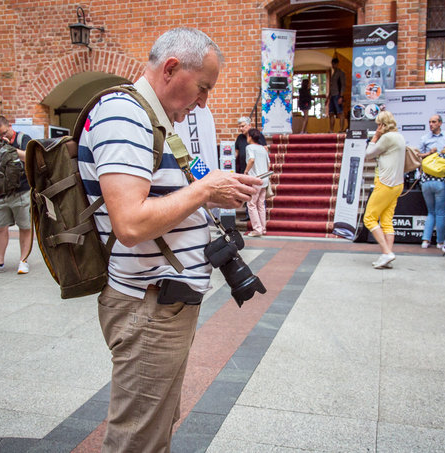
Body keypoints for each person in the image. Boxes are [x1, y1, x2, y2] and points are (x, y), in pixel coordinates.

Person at [77, 27, 260, 452]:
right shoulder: (124, 114)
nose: (203, 102)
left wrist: (227, 184)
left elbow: (191, 179)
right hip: (148, 305)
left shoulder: (154, 118)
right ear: (172, 69)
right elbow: (131, 223)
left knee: (155, 428)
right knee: (137, 440)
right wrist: (205, 190)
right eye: (202, 88)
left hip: (164, 303)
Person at [0, 116, 32, 275]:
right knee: (0, 228)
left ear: (9, 126)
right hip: (2, 193)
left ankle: (23, 261)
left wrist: (11, 150)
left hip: (22, 190)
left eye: (4, 132)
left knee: (25, 227)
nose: (2, 137)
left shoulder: (23, 139)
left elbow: (30, 157)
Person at [364, 111, 406, 269]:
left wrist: (375, 138)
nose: (377, 127)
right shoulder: (399, 137)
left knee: (369, 218)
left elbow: (369, 154)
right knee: (387, 220)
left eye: (378, 125)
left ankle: (387, 252)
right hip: (397, 184)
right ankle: (387, 254)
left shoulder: (387, 138)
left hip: (385, 183)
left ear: (382, 125)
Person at [418, 115, 445, 249]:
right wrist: (430, 153)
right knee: (438, 212)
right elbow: (418, 157)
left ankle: (427, 240)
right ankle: (439, 242)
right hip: (430, 180)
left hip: (438, 180)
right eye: (430, 122)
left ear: (440, 123)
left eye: (434, 122)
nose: (431, 124)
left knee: (434, 212)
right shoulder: (424, 138)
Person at [243, 128, 270, 236]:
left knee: (251, 204)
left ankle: (257, 229)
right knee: (261, 204)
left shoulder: (249, 147)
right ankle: (262, 228)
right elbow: (268, 163)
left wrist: (246, 171)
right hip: (265, 178)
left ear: (250, 136)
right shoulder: (263, 149)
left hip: (255, 178)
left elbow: (252, 160)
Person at [326, 57, 346, 133]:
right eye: (332, 64)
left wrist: (341, 96)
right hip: (332, 95)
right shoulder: (333, 73)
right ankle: (331, 129)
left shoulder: (341, 73)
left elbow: (343, 85)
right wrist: (328, 97)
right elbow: (331, 86)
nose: (333, 65)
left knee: (340, 112)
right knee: (331, 113)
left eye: (334, 64)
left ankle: (341, 129)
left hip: (338, 95)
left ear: (337, 64)